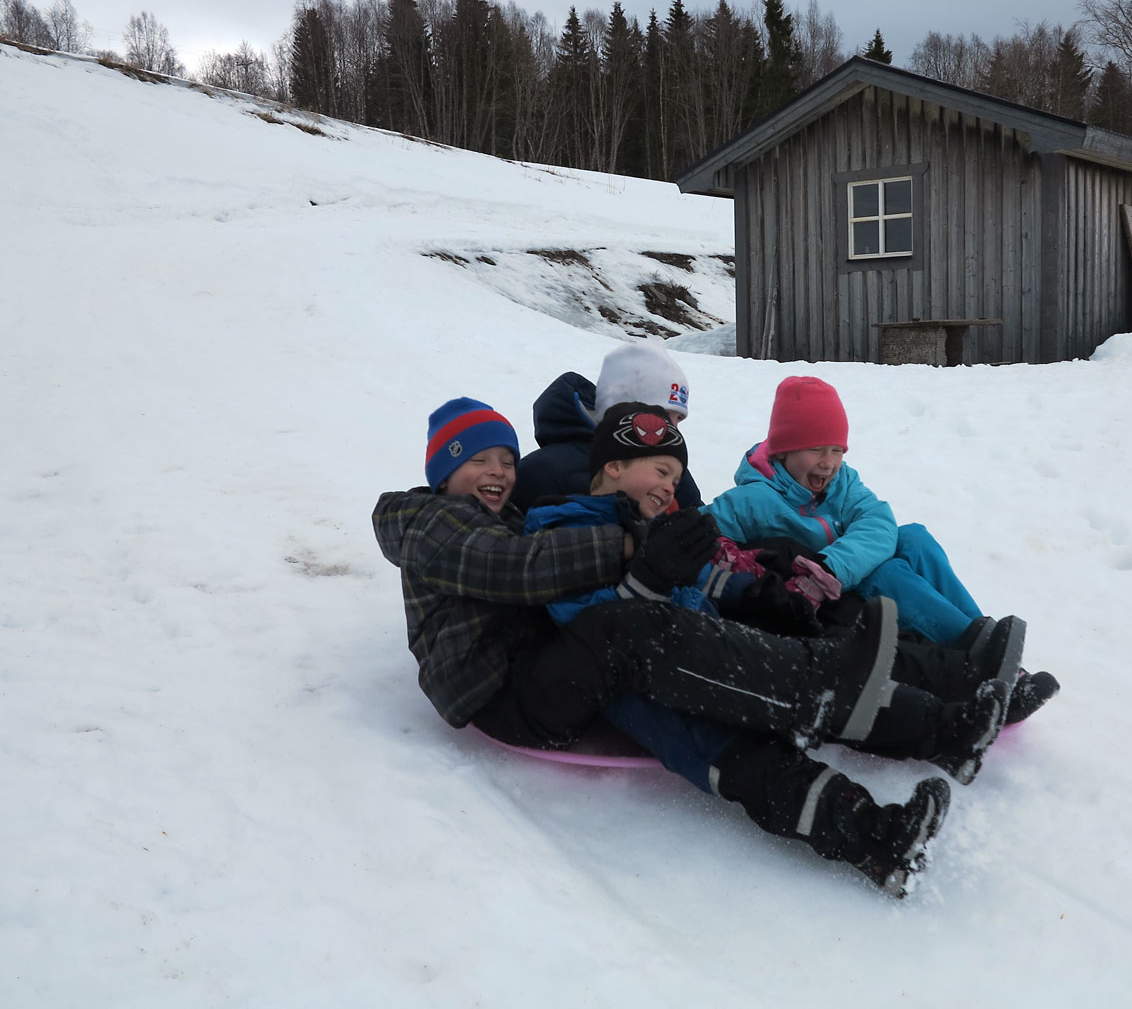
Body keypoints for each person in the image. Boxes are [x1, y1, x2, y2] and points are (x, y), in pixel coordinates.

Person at [373, 398, 1015, 896]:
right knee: (658, 665)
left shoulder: (520, 519)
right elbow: (522, 572)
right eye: (479, 460)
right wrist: (641, 556)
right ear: (441, 468)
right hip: (503, 691)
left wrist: (751, 585)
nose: (498, 472)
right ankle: (846, 703)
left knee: (753, 645)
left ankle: (938, 727)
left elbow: (687, 579)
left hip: (580, 666)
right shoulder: (425, 520)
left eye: (507, 461)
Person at [704, 376, 1060, 724]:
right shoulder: (752, 499)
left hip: (839, 571)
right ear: (784, 450)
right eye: (816, 449)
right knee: (888, 572)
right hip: (827, 601)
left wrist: (833, 563)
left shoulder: (842, 481)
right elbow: (701, 532)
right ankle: (983, 663)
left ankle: (985, 641)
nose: (828, 462)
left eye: (837, 450)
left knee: (915, 537)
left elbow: (877, 520)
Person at [511, 338, 701, 512]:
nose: (673, 429)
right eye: (665, 415)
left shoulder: (670, 471)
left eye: (678, 419)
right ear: (626, 405)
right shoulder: (542, 472)